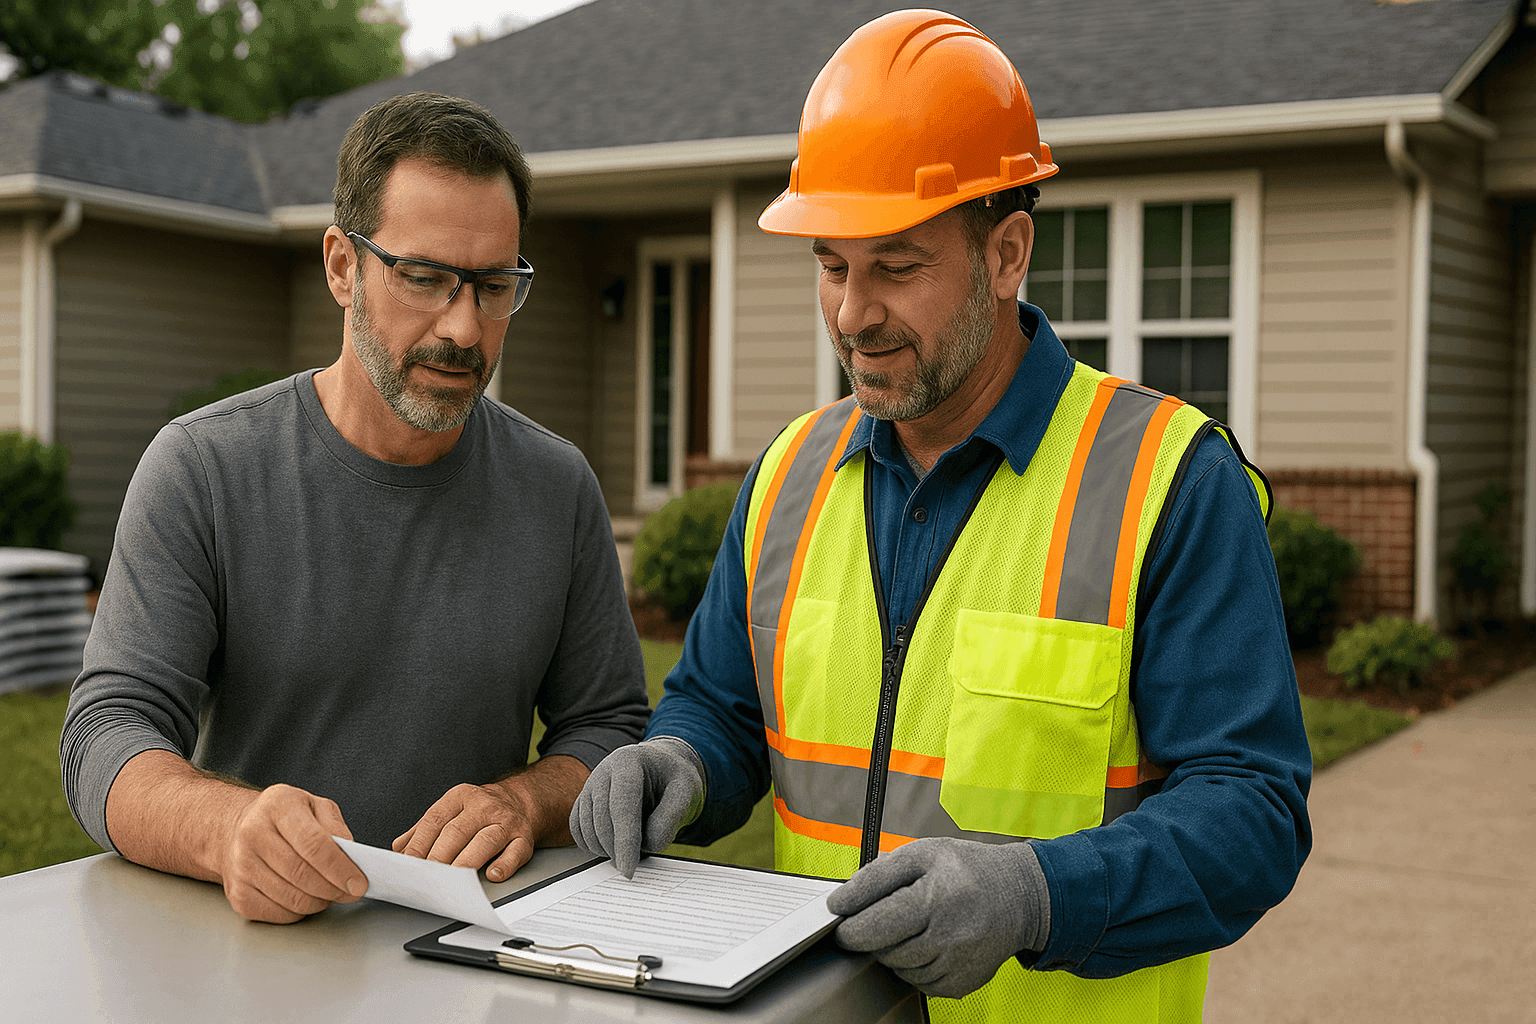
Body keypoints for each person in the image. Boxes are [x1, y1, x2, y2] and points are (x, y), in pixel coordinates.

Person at [569, 11, 1310, 1023]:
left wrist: (1035, 898)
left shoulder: (1170, 482)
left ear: (1007, 254)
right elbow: (724, 707)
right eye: (833, 266)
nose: (851, 314)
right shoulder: (787, 474)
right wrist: (677, 761)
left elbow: (1252, 813)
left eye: (897, 266)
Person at [61, 92, 650, 926]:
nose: (464, 326)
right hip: (251, 949)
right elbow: (105, 737)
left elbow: (611, 730)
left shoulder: (558, 488)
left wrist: (525, 801)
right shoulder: (203, 468)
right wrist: (228, 829)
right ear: (343, 265)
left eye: (493, 286)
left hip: (467, 949)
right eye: (424, 278)